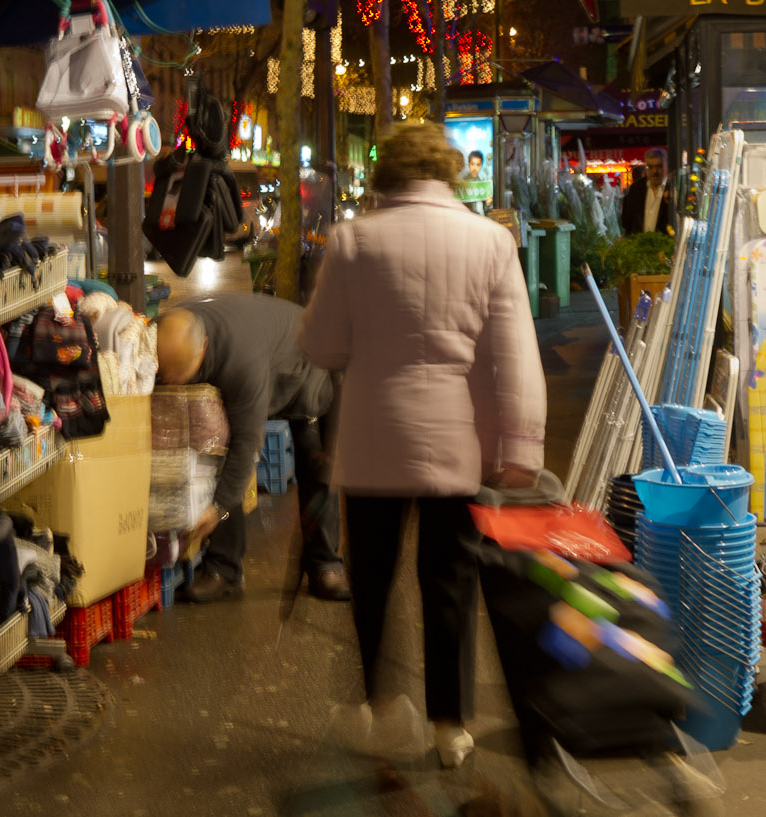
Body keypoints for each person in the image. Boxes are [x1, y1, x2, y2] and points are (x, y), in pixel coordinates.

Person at [300, 121, 546, 769]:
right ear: (448, 172)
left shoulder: (352, 242)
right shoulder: (491, 241)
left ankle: (379, 708)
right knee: (449, 581)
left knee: (374, 577)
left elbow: (321, 346)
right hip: (459, 440)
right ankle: (449, 726)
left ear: (384, 174)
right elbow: (514, 354)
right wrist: (521, 445)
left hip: (374, 439)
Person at [154, 295, 351, 603]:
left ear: (203, 348)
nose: (170, 382)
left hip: (305, 370)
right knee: (213, 450)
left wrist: (217, 509)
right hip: (258, 352)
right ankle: (225, 569)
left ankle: (325, 565)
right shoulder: (165, 332)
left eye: (179, 375)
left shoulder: (242, 364)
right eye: (166, 374)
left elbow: (247, 445)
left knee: (316, 464)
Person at [619, 147, 675, 236]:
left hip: (667, 247)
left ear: (667, 166)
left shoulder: (673, 188)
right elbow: (626, 221)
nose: (654, 171)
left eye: (659, 166)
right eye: (650, 167)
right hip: (640, 246)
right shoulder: (636, 189)